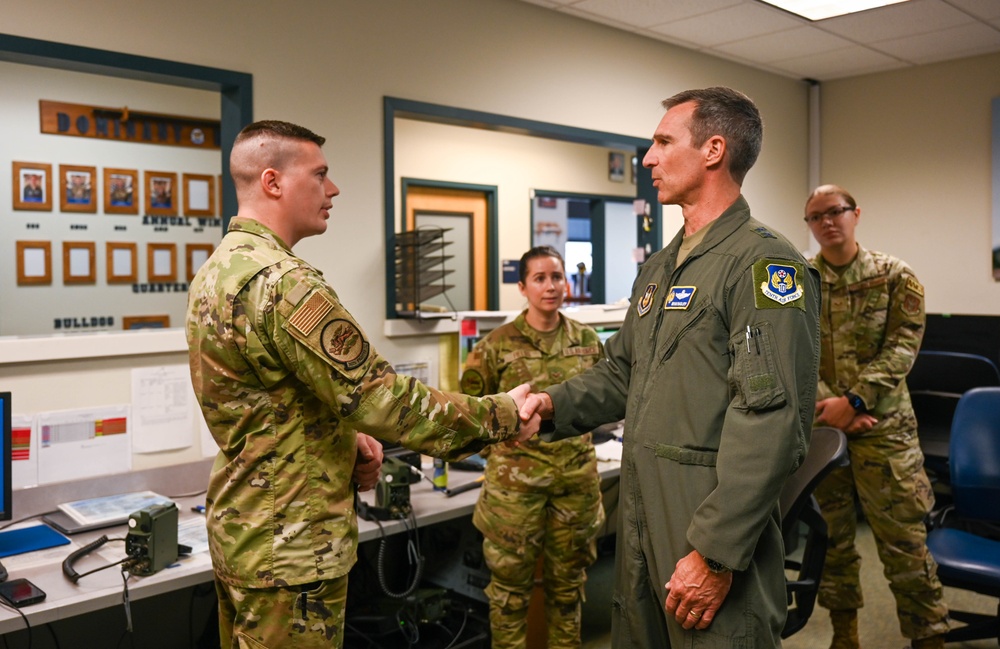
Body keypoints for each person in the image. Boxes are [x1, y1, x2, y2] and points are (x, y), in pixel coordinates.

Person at [186, 120, 539, 649]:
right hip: (293, 549)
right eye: (321, 175)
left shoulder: (217, 273)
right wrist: (501, 415)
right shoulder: (285, 283)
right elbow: (386, 400)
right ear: (273, 181)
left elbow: (264, 402)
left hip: (247, 534)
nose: (333, 190)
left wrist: (342, 439)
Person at [521, 86, 821, 647]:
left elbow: (772, 423)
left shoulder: (764, 264)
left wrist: (716, 550)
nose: (648, 158)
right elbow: (621, 372)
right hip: (643, 504)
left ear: (713, 150)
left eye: (662, 141)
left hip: (706, 516)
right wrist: (552, 404)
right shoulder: (661, 267)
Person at [805, 184, 949, 649]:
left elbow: (902, 349)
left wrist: (856, 402)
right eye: (815, 216)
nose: (827, 222)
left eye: (836, 212)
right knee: (832, 544)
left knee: (904, 546)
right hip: (824, 428)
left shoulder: (894, 276)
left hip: (884, 432)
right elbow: (792, 353)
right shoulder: (796, 281)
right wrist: (834, 409)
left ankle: (928, 638)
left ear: (856, 214)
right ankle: (844, 637)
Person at [460, 245, 606, 649]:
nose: (551, 286)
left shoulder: (588, 340)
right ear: (523, 287)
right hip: (515, 493)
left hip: (575, 485)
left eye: (557, 277)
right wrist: (505, 458)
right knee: (509, 595)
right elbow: (472, 420)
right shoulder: (494, 348)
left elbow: (604, 400)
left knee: (568, 589)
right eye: (540, 278)